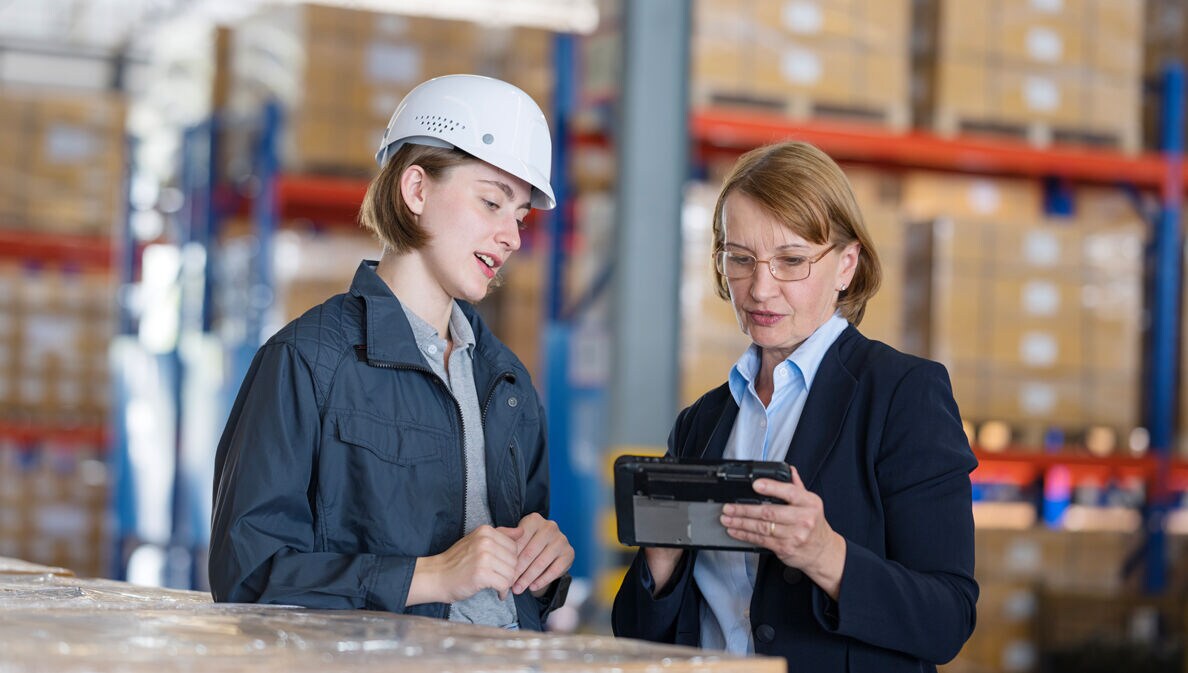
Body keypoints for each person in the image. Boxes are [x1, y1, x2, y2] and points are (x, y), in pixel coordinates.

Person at [209, 74, 573, 631]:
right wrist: (428, 576)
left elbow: (513, 581)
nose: (512, 237)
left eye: (519, 216)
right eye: (491, 202)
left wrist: (544, 566)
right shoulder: (307, 362)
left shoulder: (506, 382)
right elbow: (247, 576)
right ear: (416, 190)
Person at [612, 141, 977, 671]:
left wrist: (827, 556)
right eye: (740, 259)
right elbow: (641, 633)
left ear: (846, 266)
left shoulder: (902, 395)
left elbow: (948, 620)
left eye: (791, 261)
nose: (760, 289)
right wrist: (661, 564)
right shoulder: (702, 423)